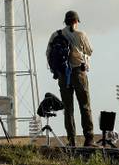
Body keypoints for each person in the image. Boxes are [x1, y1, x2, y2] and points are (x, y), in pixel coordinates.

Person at [47, 10, 94, 147]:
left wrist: (56, 71)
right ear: (75, 21)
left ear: (65, 21)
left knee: (68, 109)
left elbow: (48, 54)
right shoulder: (81, 35)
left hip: (63, 76)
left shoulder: (55, 35)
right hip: (79, 73)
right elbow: (90, 51)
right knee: (85, 106)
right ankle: (89, 139)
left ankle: (72, 140)